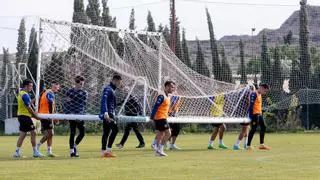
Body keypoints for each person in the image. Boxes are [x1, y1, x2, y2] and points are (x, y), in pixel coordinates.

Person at [13, 79, 42, 158]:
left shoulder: (21, 93)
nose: (31, 87)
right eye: (31, 86)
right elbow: (28, 107)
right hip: (25, 116)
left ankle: (17, 152)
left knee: (23, 134)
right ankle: (35, 152)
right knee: (34, 133)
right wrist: (35, 116)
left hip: (21, 116)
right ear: (26, 86)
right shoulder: (25, 94)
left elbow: (28, 103)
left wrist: (35, 99)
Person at [64, 75, 88, 157]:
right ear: (76, 82)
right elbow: (66, 103)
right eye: (80, 83)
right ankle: (72, 151)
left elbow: (82, 103)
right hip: (71, 114)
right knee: (72, 132)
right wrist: (68, 113)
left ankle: (74, 145)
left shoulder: (84, 92)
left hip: (80, 115)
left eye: (82, 84)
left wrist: (72, 100)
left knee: (82, 133)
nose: (81, 85)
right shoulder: (69, 91)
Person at [150, 81, 176, 156]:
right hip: (160, 118)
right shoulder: (161, 96)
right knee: (168, 133)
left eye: (173, 87)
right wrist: (152, 117)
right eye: (171, 87)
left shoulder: (168, 96)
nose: (173, 89)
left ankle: (157, 150)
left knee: (161, 133)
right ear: (167, 87)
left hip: (163, 117)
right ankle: (160, 149)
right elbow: (155, 106)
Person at [36, 81, 60, 157]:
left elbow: (49, 105)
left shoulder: (46, 92)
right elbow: (50, 104)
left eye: (57, 87)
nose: (56, 88)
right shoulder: (50, 93)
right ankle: (37, 147)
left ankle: (49, 151)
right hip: (46, 115)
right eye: (55, 87)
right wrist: (52, 116)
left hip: (44, 115)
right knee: (50, 133)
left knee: (50, 134)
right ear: (52, 87)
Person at [100, 74, 122, 158]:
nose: (119, 84)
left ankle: (103, 152)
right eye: (119, 82)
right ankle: (108, 150)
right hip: (108, 114)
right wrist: (105, 112)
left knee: (106, 132)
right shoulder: (108, 89)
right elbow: (104, 100)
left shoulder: (112, 89)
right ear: (115, 80)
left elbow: (111, 103)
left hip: (110, 113)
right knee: (115, 130)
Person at [246, 83, 270, 151]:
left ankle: (261, 145)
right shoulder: (254, 94)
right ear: (261, 88)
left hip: (259, 114)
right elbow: (251, 105)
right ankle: (248, 146)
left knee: (264, 127)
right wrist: (250, 116)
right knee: (253, 129)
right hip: (254, 114)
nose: (265, 93)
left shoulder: (259, 94)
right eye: (265, 91)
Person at [233, 85, 255, 150]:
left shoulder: (243, 93)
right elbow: (249, 102)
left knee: (247, 128)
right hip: (244, 114)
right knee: (244, 129)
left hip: (243, 113)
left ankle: (246, 144)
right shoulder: (248, 93)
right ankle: (236, 145)